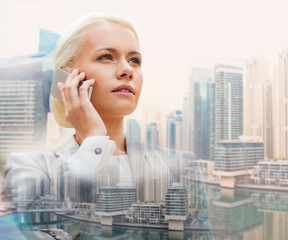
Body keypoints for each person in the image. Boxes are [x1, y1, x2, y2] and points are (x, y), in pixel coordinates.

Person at [3, 13, 208, 231]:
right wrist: (94, 139)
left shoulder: (181, 165)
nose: (128, 70)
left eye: (134, 60)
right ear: (66, 78)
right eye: (106, 57)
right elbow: (49, 228)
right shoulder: (28, 166)